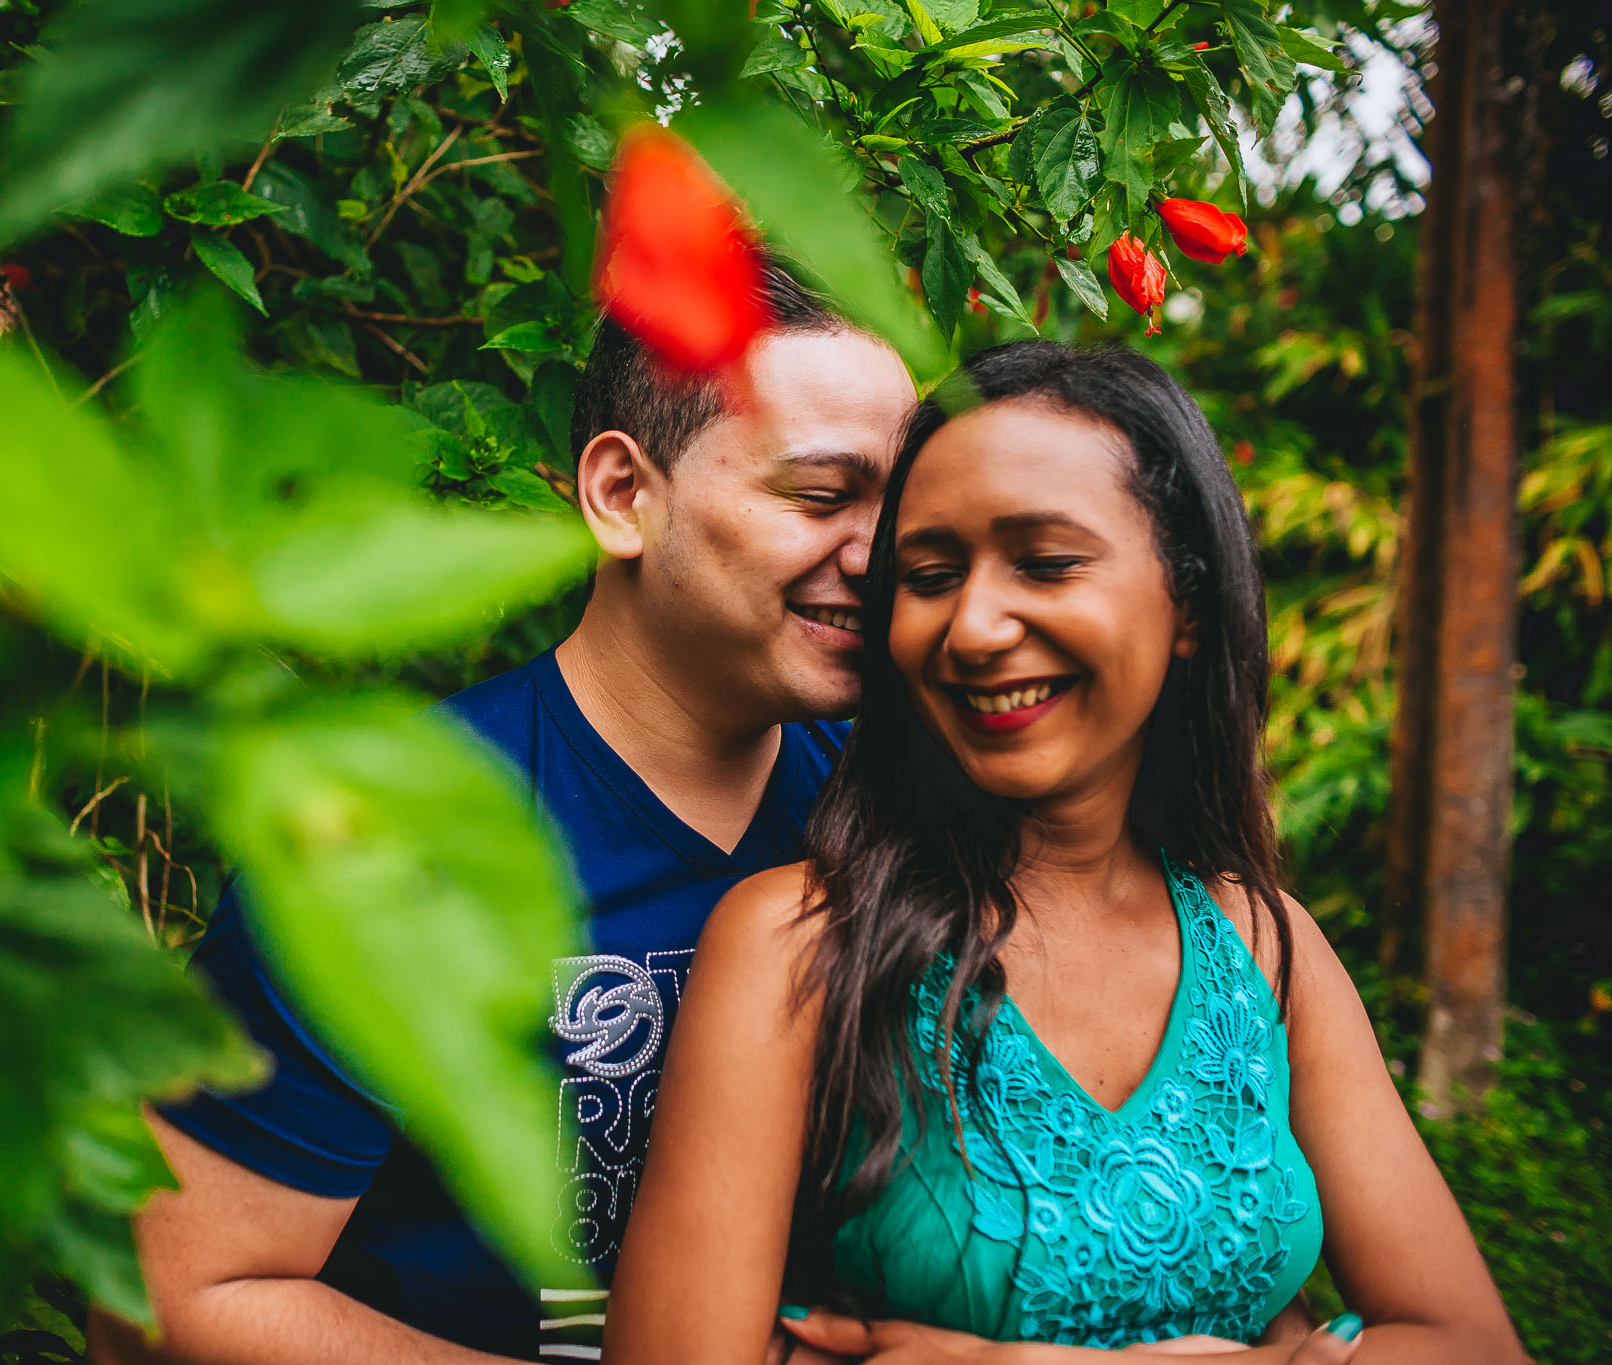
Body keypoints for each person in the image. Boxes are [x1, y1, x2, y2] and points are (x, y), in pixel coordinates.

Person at [602, 341, 1528, 1364]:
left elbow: (1469, 1341)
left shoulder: (1262, 946)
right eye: (929, 576)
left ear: (1184, 602)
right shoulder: (797, 945)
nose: (973, 627)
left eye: (1044, 564)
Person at [85, 261, 920, 1365]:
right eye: (819, 498)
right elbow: (165, 1300)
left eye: (897, 507)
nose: (881, 558)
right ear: (623, 495)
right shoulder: (396, 832)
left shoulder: (892, 801)